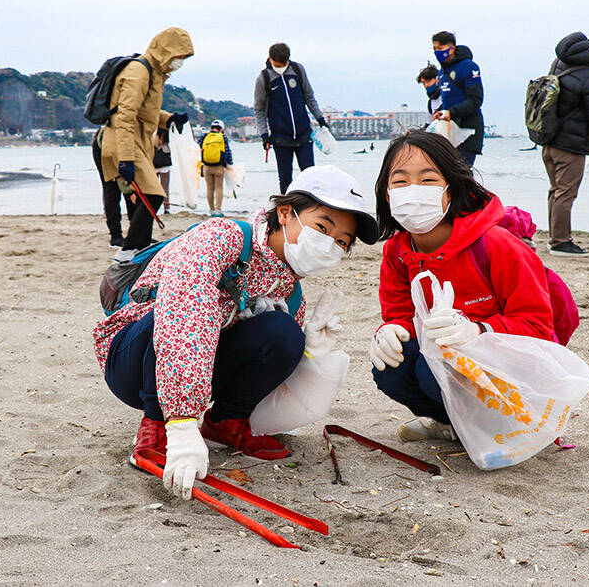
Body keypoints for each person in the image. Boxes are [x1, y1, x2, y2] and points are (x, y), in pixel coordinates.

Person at [93, 165, 379, 499]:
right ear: (285, 213)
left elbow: (271, 374)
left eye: (341, 243)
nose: (330, 245)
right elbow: (184, 312)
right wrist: (183, 421)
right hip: (131, 357)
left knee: (285, 333)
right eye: (322, 228)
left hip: (196, 366)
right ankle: (157, 426)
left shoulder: (290, 289)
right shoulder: (220, 237)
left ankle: (225, 424)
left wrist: (313, 353)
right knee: (183, 310)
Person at [368, 130, 555, 443]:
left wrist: (479, 331)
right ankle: (450, 423)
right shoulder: (397, 253)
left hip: (509, 369)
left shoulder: (496, 245)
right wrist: (390, 332)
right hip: (447, 362)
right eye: (400, 181)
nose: (413, 191)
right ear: (387, 194)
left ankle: (501, 425)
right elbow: (399, 316)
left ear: (451, 187)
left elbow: (539, 327)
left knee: (436, 369)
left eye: (428, 180)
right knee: (391, 366)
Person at [96, 27, 193, 260]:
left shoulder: (154, 73)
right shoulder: (139, 72)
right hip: (122, 141)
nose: (180, 62)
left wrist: (169, 118)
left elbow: (145, 111)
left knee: (147, 195)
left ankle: (138, 244)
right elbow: (125, 117)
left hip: (136, 142)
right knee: (154, 193)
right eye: (179, 57)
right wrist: (126, 159)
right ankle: (128, 249)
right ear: (166, 51)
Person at [542, 27, 589, 257]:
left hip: (549, 139)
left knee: (556, 191)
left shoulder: (560, 61)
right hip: (571, 145)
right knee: (566, 193)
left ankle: (555, 237)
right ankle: (561, 242)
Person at [253, 42, 330, 193]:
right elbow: (259, 110)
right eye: (277, 64)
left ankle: (311, 209)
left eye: (284, 63)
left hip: (303, 135)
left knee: (310, 176)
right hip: (280, 138)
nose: (281, 66)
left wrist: (320, 119)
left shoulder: (297, 70)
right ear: (270, 59)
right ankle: (286, 213)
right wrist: (264, 135)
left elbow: (309, 96)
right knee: (285, 179)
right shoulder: (264, 78)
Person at [429, 31, 485, 166]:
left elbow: (475, 100)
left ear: (452, 48)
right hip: (449, 131)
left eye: (440, 48)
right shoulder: (442, 72)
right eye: (435, 49)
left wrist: (451, 112)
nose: (437, 52)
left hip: (468, 129)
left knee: (462, 172)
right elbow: (449, 100)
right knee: (446, 170)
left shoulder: (469, 67)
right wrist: (441, 111)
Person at [92, 128, 127, 247]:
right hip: (108, 145)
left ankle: (135, 233)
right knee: (112, 189)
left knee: (126, 187)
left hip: (111, 141)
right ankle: (116, 235)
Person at [198, 119, 233, 217]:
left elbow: (197, 149)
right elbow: (227, 151)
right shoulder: (222, 136)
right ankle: (218, 210)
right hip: (218, 167)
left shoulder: (204, 136)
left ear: (211, 128)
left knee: (209, 188)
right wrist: (229, 163)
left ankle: (211, 210)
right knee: (218, 188)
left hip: (206, 166)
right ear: (222, 129)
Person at [153, 127, 172, 214]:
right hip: (164, 165)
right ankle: (166, 207)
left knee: (152, 188)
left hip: (153, 164)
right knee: (165, 188)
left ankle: (152, 207)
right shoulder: (166, 133)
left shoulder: (152, 132)